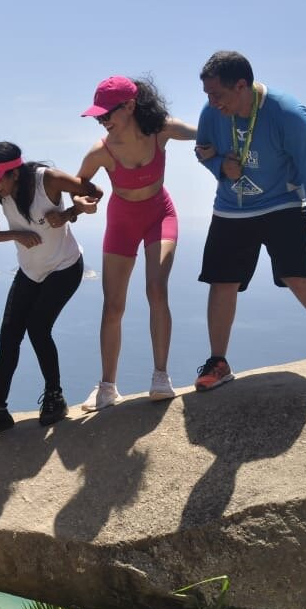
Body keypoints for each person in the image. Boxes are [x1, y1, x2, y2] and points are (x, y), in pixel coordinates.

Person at [192, 50, 306, 389]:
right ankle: (218, 362)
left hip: (281, 204)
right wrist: (219, 168)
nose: (211, 103)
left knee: (299, 276)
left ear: (241, 85)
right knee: (222, 281)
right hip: (231, 207)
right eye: (208, 95)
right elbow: (202, 150)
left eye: (217, 94)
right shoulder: (212, 113)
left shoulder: (288, 114)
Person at [0, 141, 102, 439]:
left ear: (14, 172)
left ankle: (55, 396)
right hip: (30, 271)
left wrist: (67, 214)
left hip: (65, 267)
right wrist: (13, 234)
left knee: (38, 328)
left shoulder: (47, 179)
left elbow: (95, 192)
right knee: (9, 333)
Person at [75, 76, 199, 411]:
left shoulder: (161, 131)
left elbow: (204, 132)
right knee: (113, 305)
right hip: (122, 222)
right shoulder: (100, 151)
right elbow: (79, 185)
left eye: (106, 114)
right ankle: (107, 386)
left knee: (157, 289)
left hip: (160, 214)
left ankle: (161, 377)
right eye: (98, 116)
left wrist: (218, 144)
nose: (102, 121)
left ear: (129, 106)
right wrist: (82, 202)